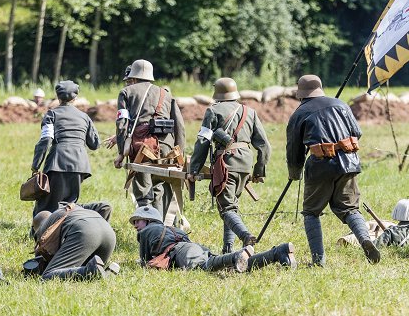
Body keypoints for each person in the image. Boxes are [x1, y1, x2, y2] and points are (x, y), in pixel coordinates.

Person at [286, 75, 380, 267]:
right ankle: (364, 240)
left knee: (311, 213)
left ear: (301, 94)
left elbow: (293, 148)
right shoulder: (340, 105)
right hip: (349, 163)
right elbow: (357, 132)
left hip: (320, 166)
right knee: (350, 209)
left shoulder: (299, 114)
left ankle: (318, 261)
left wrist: (295, 172)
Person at [188, 77, 271, 253]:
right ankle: (228, 250)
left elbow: (203, 141)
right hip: (245, 165)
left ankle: (245, 236)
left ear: (216, 92)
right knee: (231, 206)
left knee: (227, 209)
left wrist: (193, 169)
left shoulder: (213, 110)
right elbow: (264, 145)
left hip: (227, 164)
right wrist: (259, 170)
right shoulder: (250, 112)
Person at [113, 59, 185, 220]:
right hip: (167, 147)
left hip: (143, 146)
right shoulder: (165, 93)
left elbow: (122, 123)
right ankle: (160, 229)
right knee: (159, 186)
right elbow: (179, 125)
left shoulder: (127, 92)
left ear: (133, 76)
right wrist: (180, 152)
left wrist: (121, 152)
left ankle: (148, 234)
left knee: (144, 193)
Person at [130, 205, 296, 272]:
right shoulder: (169, 228)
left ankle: (237, 255)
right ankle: (278, 253)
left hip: (183, 252)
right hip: (194, 247)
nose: (135, 225)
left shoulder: (145, 232)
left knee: (209, 266)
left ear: (149, 220)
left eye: (137, 221)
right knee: (234, 268)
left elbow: (144, 261)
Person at [31, 80, 100, 217]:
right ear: (75, 98)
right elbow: (94, 144)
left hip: (58, 162)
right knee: (70, 205)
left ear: (58, 97)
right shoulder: (85, 117)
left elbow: (46, 140)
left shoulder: (51, 115)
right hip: (80, 165)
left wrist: (36, 165)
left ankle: (40, 234)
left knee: (47, 205)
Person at [31, 202, 118, 280]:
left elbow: (41, 261)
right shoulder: (71, 208)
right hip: (109, 233)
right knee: (80, 266)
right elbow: (105, 207)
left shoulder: (44, 227)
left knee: (48, 275)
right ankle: (103, 273)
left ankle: (90, 271)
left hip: (85, 231)